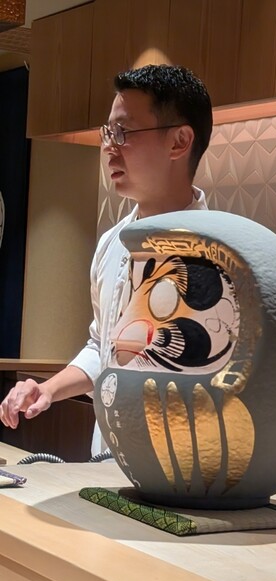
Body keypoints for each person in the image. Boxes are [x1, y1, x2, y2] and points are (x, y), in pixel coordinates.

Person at [0, 64, 213, 455]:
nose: (109, 147)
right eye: (107, 133)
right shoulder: (111, 243)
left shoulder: (218, 251)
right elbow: (104, 348)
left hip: (185, 463)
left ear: (179, 142)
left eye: (124, 133)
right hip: (108, 456)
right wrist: (47, 389)